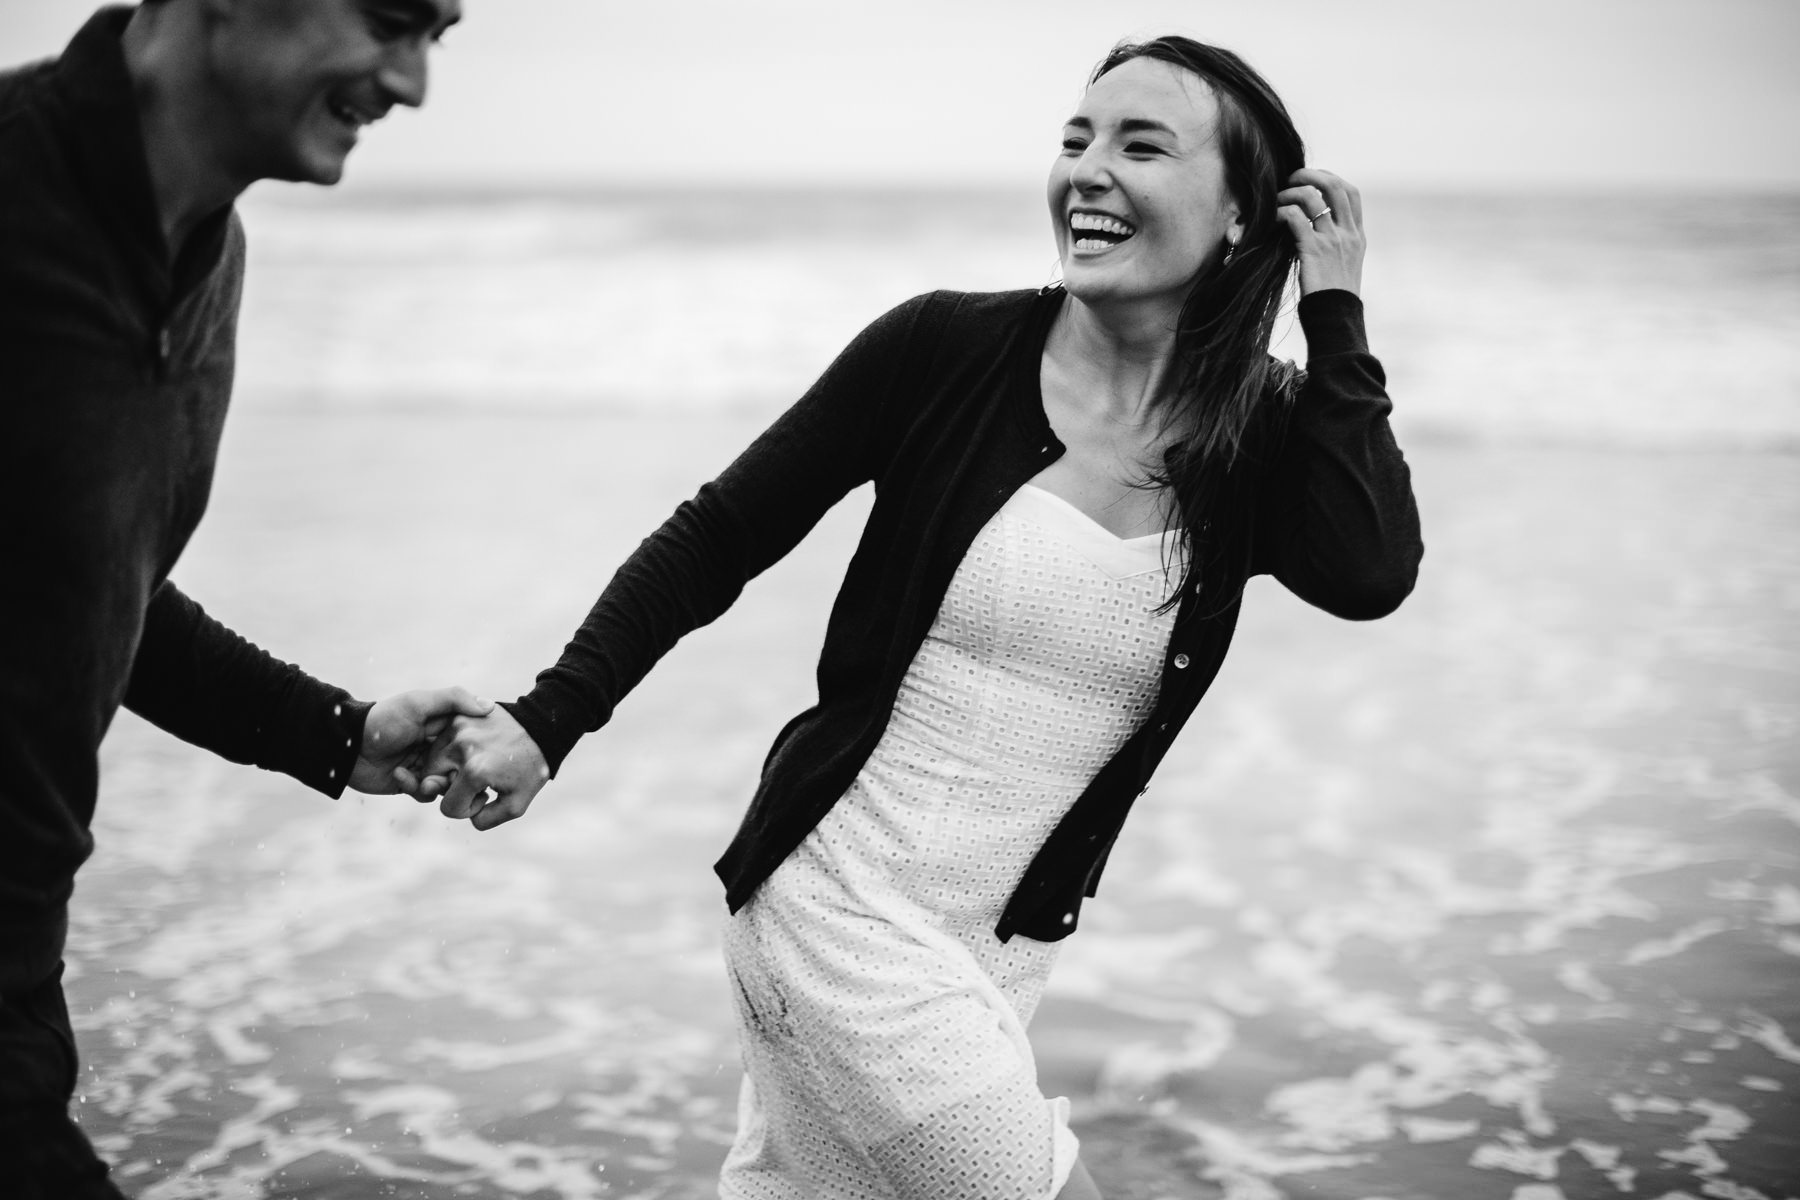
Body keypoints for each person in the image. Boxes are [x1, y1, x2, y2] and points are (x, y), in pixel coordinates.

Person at [426, 35, 1423, 1199]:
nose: (1088, 171)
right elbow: (720, 535)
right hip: (835, 913)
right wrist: (548, 721)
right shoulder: (944, 350)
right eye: (1076, 139)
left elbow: (1369, 570)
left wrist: (1335, 312)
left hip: (998, 960)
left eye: (1141, 146)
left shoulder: (1256, 436)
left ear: (1245, 213)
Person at [0, 2, 473, 1195]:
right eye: (391, 21)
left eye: (439, 37)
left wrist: (335, 732)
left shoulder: (209, 260)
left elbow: (86, 580)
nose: (413, 83)